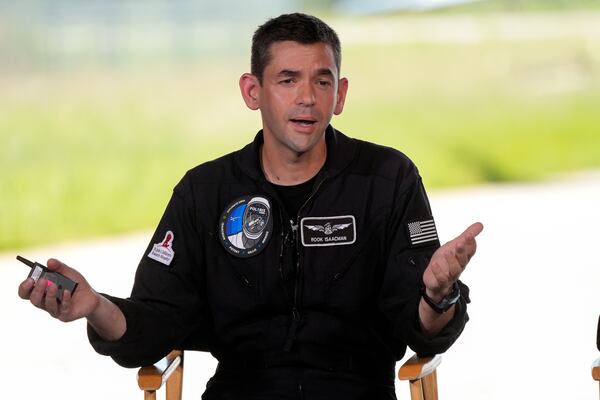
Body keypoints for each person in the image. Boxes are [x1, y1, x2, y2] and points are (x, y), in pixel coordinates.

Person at [18, 13, 483, 400]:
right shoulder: (205, 192)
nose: (306, 97)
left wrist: (438, 293)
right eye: (287, 80)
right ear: (252, 91)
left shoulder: (387, 179)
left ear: (339, 96)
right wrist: (95, 306)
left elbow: (424, 330)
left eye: (322, 81)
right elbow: (154, 323)